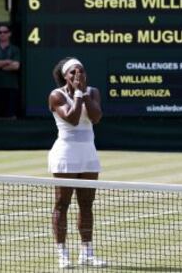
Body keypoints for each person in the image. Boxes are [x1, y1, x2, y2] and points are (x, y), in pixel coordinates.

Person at [48, 57, 106, 268]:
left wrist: (83, 93)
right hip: (65, 155)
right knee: (62, 204)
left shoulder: (94, 92)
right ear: (65, 76)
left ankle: (87, 253)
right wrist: (78, 94)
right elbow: (72, 119)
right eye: (72, 72)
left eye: (80, 71)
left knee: (87, 204)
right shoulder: (56, 95)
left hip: (88, 154)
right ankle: (63, 254)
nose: (77, 75)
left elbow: (96, 117)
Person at [0, 24, 20, 118]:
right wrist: (7, 61)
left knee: (10, 117)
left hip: (11, 86)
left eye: (5, 32)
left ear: (9, 34)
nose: (2, 34)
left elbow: (16, 66)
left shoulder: (15, 49)